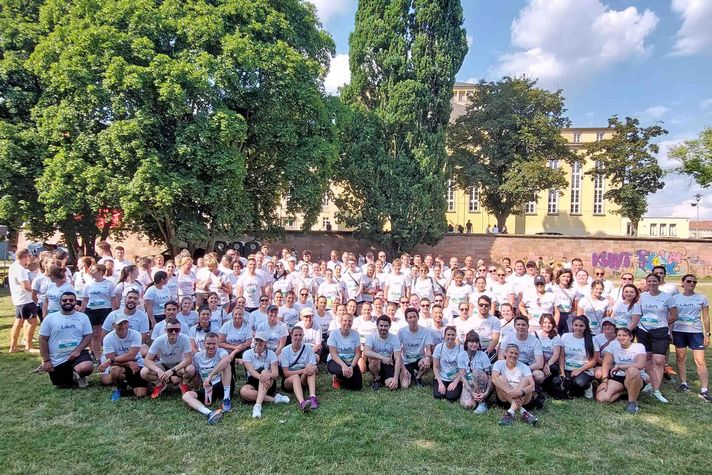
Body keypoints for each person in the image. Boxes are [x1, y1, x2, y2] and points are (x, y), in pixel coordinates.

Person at [631, 273, 678, 404]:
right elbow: (636, 315)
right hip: (643, 331)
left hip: (660, 331)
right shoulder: (642, 297)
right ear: (646, 283)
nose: (652, 283)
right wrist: (629, 329)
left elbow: (674, 315)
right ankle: (650, 384)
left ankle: (656, 390)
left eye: (654, 281)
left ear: (659, 282)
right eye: (649, 281)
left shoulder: (667, 297)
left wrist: (661, 323)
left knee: (658, 360)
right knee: (647, 358)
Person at [39, 292, 94, 388]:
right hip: (58, 357)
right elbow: (43, 340)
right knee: (62, 384)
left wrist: (77, 351)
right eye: (64, 300)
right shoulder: (50, 318)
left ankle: (81, 376)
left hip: (77, 354)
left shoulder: (83, 317)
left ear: (75, 302)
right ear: (60, 302)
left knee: (86, 367)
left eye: (71, 300)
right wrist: (46, 360)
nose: (68, 302)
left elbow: (88, 335)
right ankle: (71, 375)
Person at [672, 274, 711, 401]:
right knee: (680, 358)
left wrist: (707, 334)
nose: (692, 283)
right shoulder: (675, 298)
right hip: (679, 331)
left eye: (694, 281)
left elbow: (705, 317)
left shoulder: (702, 298)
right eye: (689, 281)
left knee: (700, 361)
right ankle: (683, 383)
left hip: (696, 332)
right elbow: (671, 316)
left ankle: (704, 389)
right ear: (682, 283)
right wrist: (670, 332)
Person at [181, 332, 231, 424]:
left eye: (214, 344)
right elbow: (195, 375)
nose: (211, 346)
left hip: (222, 384)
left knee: (226, 365)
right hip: (208, 387)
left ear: (218, 344)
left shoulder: (221, 352)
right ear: (204, 344)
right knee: (186, 396)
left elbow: (227, 359)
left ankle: (226, 399)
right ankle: (209, 413)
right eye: (208, 343)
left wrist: (210, 376)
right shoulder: (197, 356)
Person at [596, 327, 647, 413]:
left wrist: (620, 366)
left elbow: (641, 364)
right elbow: (606, 363)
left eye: (625, 335)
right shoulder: (613, 344)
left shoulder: (638, 346)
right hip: (619, 376)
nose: (621, 337)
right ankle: (626, 391)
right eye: (619, 335)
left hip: (635, 377)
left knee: (632, 371)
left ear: (631, 337)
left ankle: (632, 403)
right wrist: (605, 380)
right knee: (602, 398)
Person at [240, 332, 291, 418]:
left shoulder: (271, 354)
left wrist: (266, 375)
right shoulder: (247, 353)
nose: (258, 343)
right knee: (243, 392)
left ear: (265, 343)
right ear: (254, 340)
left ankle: (257, 406)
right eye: (257, 340)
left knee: (264, 371)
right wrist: (261, 377)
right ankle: (274, 399)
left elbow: (275, 373)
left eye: (261, 341)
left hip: (269, 382)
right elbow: (251, 371)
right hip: (253, 379)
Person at [141, 318, 195, 397]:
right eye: (170, 330)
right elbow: (147, 360)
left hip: (179, 365)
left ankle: (184, 383)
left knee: (191, 369)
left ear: (180, 330)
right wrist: (158, 370)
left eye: (177, 330)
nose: (173, 332)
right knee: (144, 372)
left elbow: (189, 359)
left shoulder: (185, 338)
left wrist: (172, 370)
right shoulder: (159, 340)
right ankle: (159, 384)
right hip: (163, 364)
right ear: (165, 330)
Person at [98, 315, 148, 400]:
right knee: (114, 370)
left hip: (136, 363)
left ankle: (133, 384)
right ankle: (120, 387)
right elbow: (111, 358)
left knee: (141, 394)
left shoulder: (136, 334)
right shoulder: (108, 338)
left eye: (125, 323)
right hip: (123, 365)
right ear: (113, 325)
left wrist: (110, 360)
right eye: (120, 324)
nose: (123, 326)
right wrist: (128, 363)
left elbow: (131, 355)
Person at [492, 343, 538, 426]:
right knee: (500, 378)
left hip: (523, 398)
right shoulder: (498, 364)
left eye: (516, 353)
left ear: (518, 355)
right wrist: (509, 391)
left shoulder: (524, 367)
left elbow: (532, 386)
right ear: (505, 353)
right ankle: (522, 411)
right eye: (511, 352)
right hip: (505, 397)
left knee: (525, 380)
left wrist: (520, 392)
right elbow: (493, 379)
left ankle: (510, 412)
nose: (513, 355)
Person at [280, 325, 319, 412]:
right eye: (296, 335)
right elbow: (286, 373)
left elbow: (315, 367)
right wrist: (303, 370)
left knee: (310, 368)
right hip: (289, 380)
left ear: (303, 336)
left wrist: (312, 368)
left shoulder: (308, 349)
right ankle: (302, 402)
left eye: (300, 335)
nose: (298, 337)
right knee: (296, 376)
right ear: (291, 336)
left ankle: (313, 397)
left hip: (303, 378)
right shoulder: (285, 350)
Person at [80, 263, 115, 361]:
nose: (91, 272)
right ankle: (97, 356)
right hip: (92, 311)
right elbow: (85, 300)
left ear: (100, 272)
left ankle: (108, 353)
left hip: (105, 310)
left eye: (93, 270)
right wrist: (82, 313)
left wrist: (113, 312)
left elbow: (113, 299)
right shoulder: (88, 284)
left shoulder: (109, 284)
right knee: (95, 334)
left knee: (106, 333)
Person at [498, 316, 545, 387]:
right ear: (514, 326)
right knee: (498, 376)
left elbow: (539, 363)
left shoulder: (535, 341)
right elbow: (500, 357)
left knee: (539, 375)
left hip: (528, 366)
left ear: (528, 327)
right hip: (511, 366)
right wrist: (511, 368)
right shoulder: (507, 338)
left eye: (523, 325)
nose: (521, 327)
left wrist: (523, 369)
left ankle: (533, 390)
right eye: (518, 324)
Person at [9, 248, 39, 353]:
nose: (28, 260)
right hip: (26, 299)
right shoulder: (20, 269)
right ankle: (28, 347)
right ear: (25, 257)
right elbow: (25, 285)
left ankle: (13, 347)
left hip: (18, 299)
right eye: (28, 257)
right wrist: (36, 292)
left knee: (18, 323)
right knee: (32, 322)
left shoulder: (13, 267)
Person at [559, 315, 595, 399]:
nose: (578, 328)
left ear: (586, 327)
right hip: (567, 368)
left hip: (583, 370)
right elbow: (561, 356)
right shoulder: (565, 336)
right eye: (576, 325)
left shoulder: (592, 339)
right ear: (572, 325)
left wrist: (579, 370)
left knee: (579, 383)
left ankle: (588, 385)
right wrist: (562, 372)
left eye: (581, 326)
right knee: (561, 386)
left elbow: (594, 360)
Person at [363, 315, 403, 391]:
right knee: (374, 360)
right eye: (381, 325)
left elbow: (398, 359)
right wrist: (382, 357)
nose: (383, 328)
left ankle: (382, 379)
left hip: (388, 365)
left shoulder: (394, 338)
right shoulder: (371, 337)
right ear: (377, 326)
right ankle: (376, 379)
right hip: (376, 364)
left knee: (392, 386)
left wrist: (395, 378)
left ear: (389, 326)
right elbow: (366, 352)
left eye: (386, 326)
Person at [397, 307, 433, 388]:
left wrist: (427, 358)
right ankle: (410, 373)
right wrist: (402, 367)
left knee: (429, 360)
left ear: (418, 317)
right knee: (404, 386)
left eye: (414, 317)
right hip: (406, 361)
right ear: (406, 319)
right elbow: (397, 351)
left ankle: (418, 377)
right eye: (410, 317)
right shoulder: (401, 331)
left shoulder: (425, 331)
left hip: (419, 359)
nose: (413, 319)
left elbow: (428, 349)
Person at [458, 331, 492, 413]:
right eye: (471, 342)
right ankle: (475, 397)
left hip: (483, 384)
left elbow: (490, 376)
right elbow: (463, 376)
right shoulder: (461, 355)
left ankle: (482, 402)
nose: (474, 344)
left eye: (476, 342)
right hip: (470, 384)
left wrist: (487, 392)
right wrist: (471, 392)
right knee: (468, 405)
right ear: (466, 343)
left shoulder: (483, 356)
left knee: (476, 372)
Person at [327, 313, 363, 391]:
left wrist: (352, 367)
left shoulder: (356, 334)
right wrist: (344, 366)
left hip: (350, 362)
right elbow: (333, 353)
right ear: (341, 321)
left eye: (350, 321)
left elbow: (357, 353)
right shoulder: (334, 333)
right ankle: (336, 378)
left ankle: (344, 380)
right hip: (336, 361)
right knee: (342, 372)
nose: (347, 323)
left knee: (357, 387)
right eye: (345, 320)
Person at [432, 326, 463, 402]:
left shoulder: (460, 348)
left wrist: (455, 382)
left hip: (455, 378)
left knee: (451, 397)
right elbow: (435, 368)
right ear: (444, 336)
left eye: (453, 335)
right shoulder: (439, 347)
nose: (450, 337)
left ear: (455, 336)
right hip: (442, 377)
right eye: (448, 335)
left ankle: (458, 387)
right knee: (438, 395)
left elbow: (463, 369)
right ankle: (443, 386)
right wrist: (440, 383)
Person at [553, 269, 577, 334]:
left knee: (568, 334)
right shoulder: (553, 289)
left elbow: (575, 306)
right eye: (563, 276)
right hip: (556, 315)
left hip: (568, 315)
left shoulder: (573, 290)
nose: (565, 278)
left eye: (568, 277)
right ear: (559, 277)